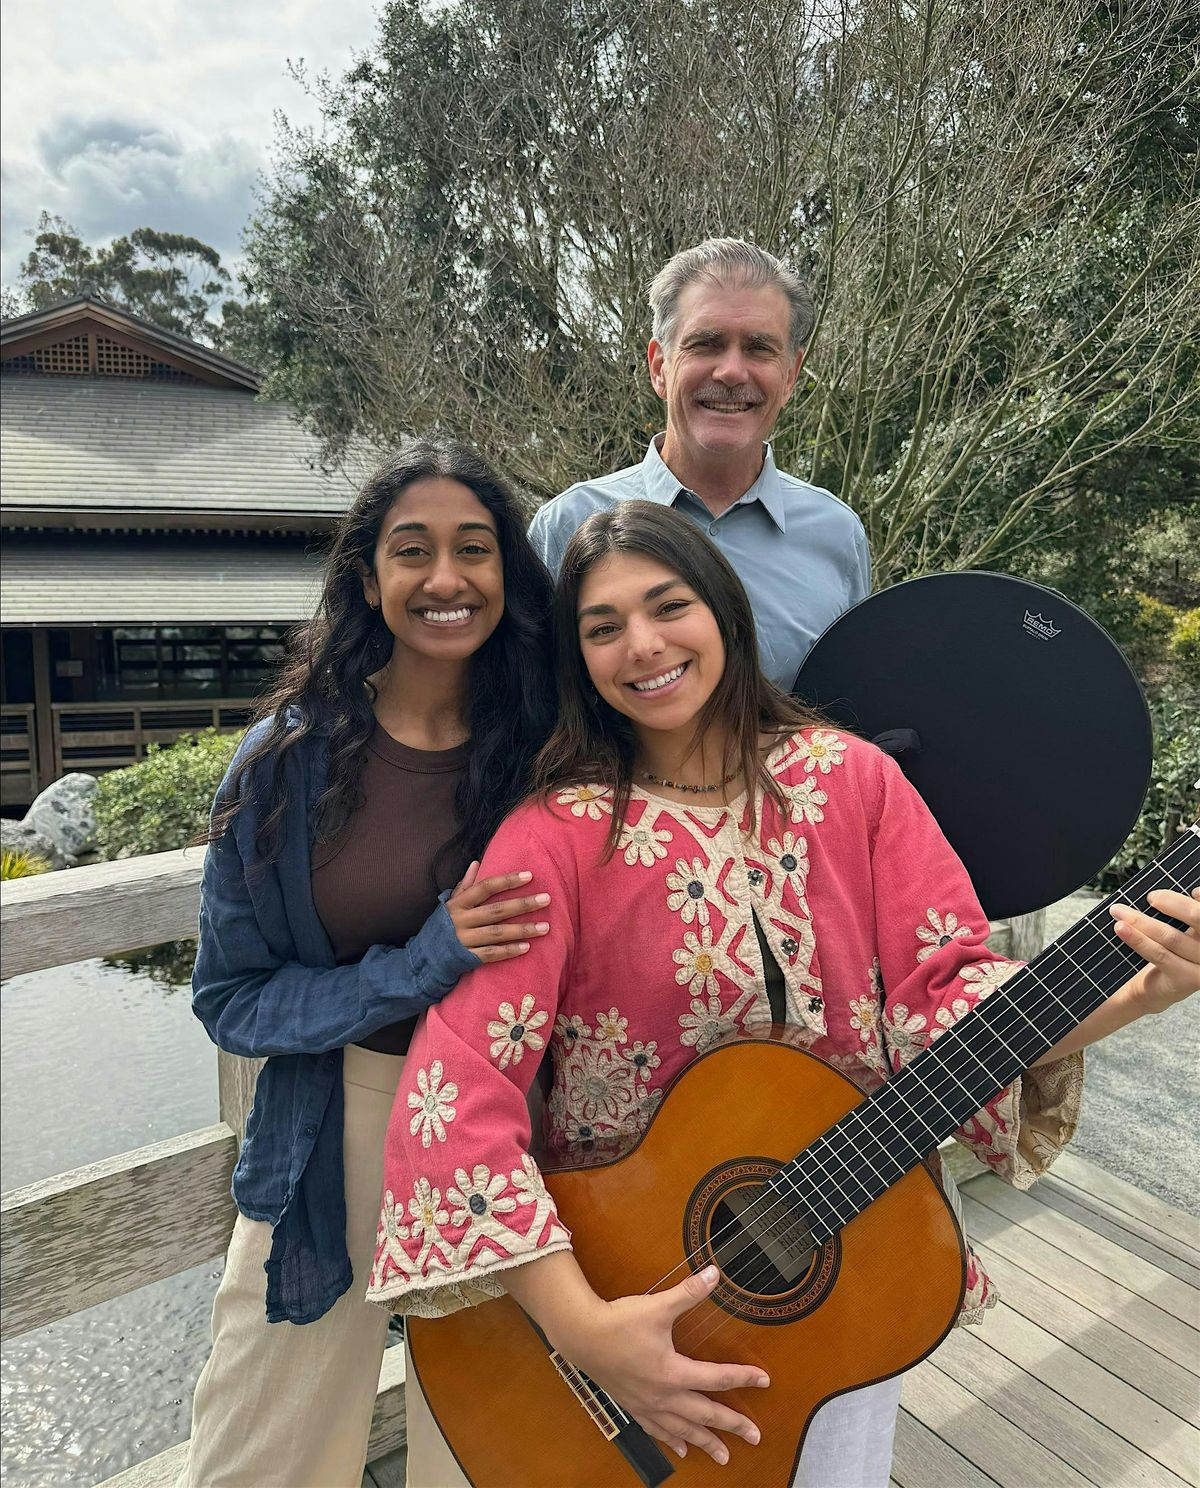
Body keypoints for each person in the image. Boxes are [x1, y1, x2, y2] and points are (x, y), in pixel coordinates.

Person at [365, 500, 1200, 1487]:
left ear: (724, 610)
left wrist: (1138, 993)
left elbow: (946, 994)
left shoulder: (855, 782)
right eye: (603, 627)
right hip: (609, 1292)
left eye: (667, 605)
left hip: (842, 1265)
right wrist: (587, 1330)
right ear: (576, 659)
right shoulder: (555, 833)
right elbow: (457, 1087)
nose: (642, 645)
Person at [180, 441, 559, 1488]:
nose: (446, 578)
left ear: (507, 572)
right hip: (337, 1118)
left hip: (510, 1123)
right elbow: (231, 998)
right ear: (367, 577)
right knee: (264, 1445)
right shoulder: (284, 764)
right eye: (413, 550)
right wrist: (423, 961)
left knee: (484, 1448)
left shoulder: (549, 743)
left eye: (473, 549)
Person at [529, 238, 871, 689]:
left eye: (759, 348)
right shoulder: (567, 526)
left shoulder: (836, 535)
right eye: (706, 344)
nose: (731, 372)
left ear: (790, 376)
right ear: (659, 368)